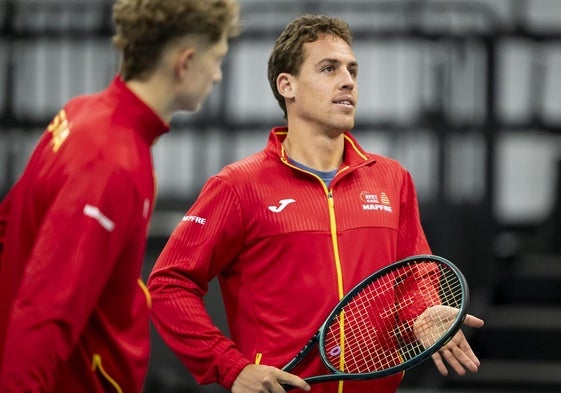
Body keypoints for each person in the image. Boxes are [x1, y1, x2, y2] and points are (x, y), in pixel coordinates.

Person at [148, 13, 484, 393]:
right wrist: (231, 367)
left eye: (352, 70)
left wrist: (423, 312)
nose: (348, 81)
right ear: (287, 85)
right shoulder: (237, 186)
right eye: (329, 68)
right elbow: (169, 284)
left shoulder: (393, 179)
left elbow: (412, 278)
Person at [0, 0, 240, 391]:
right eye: (217, 59)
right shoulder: (112, 162)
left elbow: (7, 229)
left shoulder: (82, 114)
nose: (216, 75)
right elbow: (46, 314)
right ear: (186, 61)